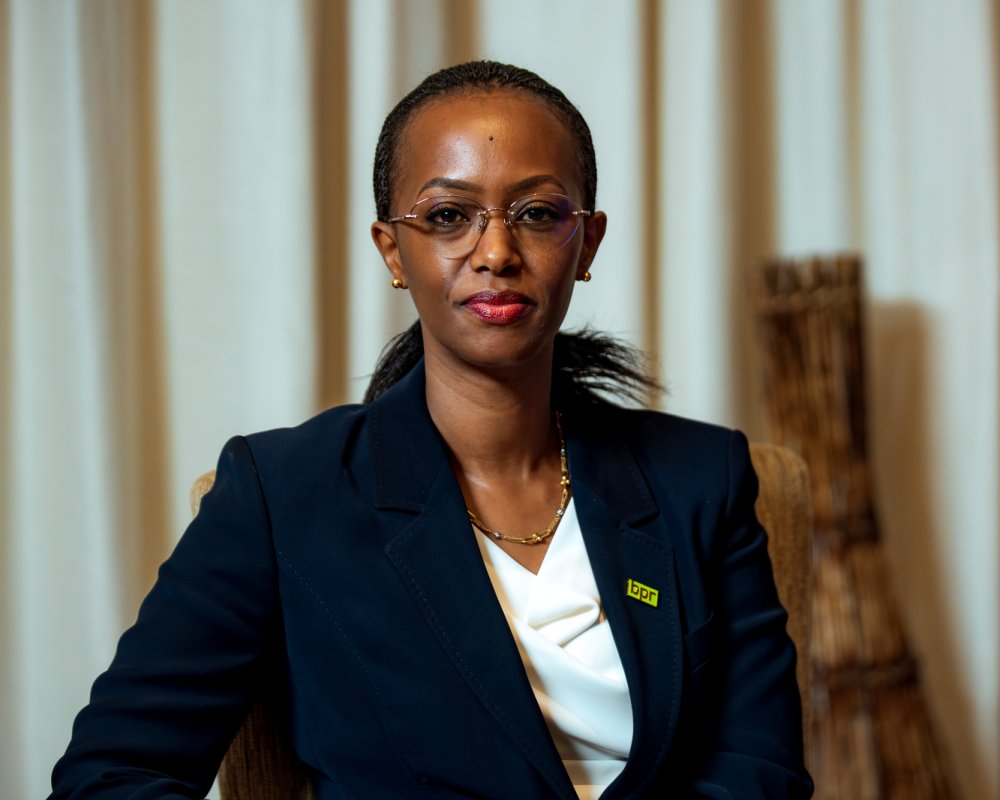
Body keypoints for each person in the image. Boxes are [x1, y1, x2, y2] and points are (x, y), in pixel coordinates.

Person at [50, 60, 812, 799]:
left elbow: (758, 769)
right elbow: (110, 775)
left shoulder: (701, 478)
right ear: (392, 249)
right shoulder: (283, 494)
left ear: (586, 242)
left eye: (537, 214)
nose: (496, 253)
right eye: (449, 217)